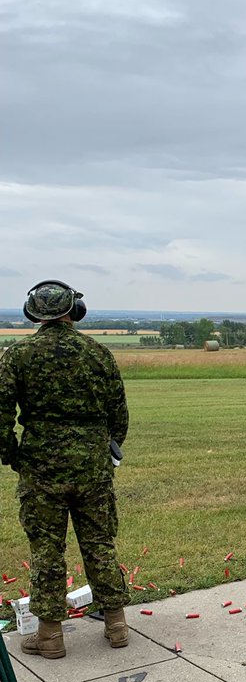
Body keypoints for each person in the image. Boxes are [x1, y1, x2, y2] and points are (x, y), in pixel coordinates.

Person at [0, 280, 131, 658]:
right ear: (74, 311)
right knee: (100, 544)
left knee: (47, 550)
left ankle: (50, 635)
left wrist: (15, 456)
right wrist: (102, 449)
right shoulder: (99, 354)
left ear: (33, 313)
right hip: (92, 467)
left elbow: (1, 418)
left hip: (41, 468)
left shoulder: (18, 355)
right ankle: (117, 624)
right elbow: (118, 416)